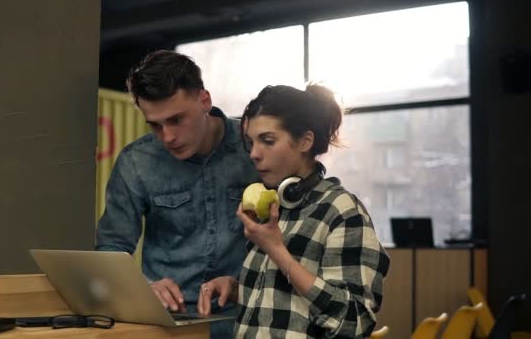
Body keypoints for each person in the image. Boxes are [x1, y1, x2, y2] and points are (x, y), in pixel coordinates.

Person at [197, 84, 390, 338]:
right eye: (250, 142)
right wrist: (236, 289)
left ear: (304, 141)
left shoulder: (342, 211)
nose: (254, 154)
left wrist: (277, 251)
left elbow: (355, 322)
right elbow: (288, 303)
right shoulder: (274, 206)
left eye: (267, 140)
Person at [95, 50, 259, 338]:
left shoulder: (255, 150)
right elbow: (111, 250)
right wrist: (141, 288)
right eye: (155, 125)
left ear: (205, 100)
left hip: (250, 320)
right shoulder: (136, 163)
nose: (167, 136)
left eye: (176, 120)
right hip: (169, 327)